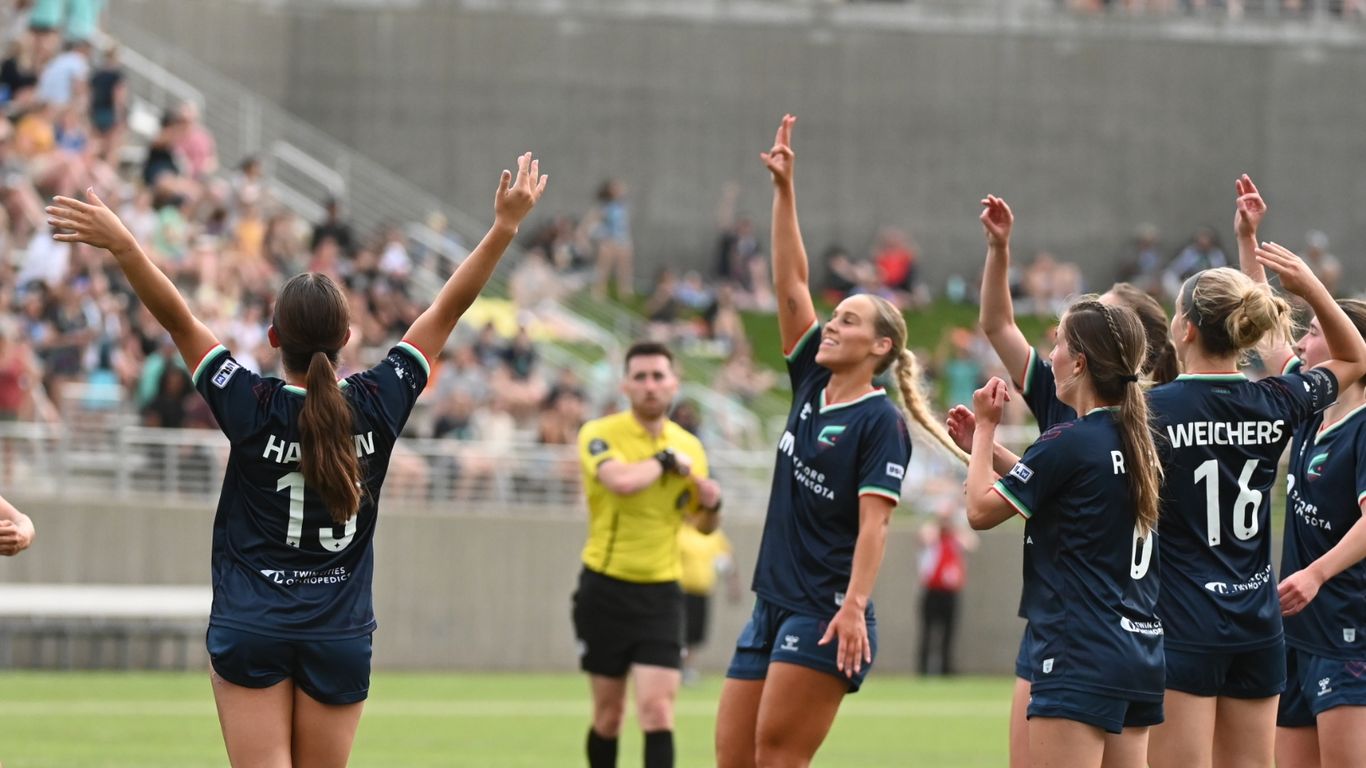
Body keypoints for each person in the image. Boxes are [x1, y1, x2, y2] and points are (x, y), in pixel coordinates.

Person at [46, 152, 546, 767]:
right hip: (338, 631)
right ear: (347, 339)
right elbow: (446, 310)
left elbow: (177, 318)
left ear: (273, 338)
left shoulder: (248, 402)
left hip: (252, 622)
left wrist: (124, 246)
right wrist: (504, 228)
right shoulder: (380, 400)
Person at [714, 114, 967, 768]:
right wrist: (784, 191)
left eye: (848, 321)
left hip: (823, 613)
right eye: (834, 315)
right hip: (771, 607)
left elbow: (875, 527)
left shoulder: (880, 422)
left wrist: (854, 607)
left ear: (880, 347)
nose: (830, 324)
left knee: (778, 759)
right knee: (734, 760)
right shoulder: (810, 381)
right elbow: (791, 283)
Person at [1144, 215, 1365, 768]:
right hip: (1260, 624)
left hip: (1187, 622)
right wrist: (1302, 281)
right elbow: (1351, 356)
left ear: (1186, 330)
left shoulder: (1149, 411)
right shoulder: (1278, 401)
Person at [973, 193, 1180, 768]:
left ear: (1089, 357)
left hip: (1076, 637)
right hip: (1135, 640)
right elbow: (1063, 485)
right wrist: (999, 249)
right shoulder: (1139, 433)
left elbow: (985, 509)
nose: (1051, 348)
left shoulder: (1076, 431)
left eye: (1062, 339)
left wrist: (985, 436)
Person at [1228, 174, 1366, 768]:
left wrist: (1316, 573)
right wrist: (1247, 240)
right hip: (1297, 630)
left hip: (1347, 632)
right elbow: (1265, 335)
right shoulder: (1310, 407)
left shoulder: (1362, 426)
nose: (1302, 344)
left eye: (1313, 332)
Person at [573, 340, 723, 768]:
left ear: (674, 383)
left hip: (662, 593)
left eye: (659, 376)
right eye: (640, 377)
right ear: (625, 386)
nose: (650, 385)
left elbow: (703, 525)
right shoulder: (599, 433)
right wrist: (664, 460)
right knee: (609, 716)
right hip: (605, 588)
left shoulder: (691, 446)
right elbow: (620, 481)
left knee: (658, 711)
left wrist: (712, 504)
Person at [678, 517, 741, 685]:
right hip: (681, 591)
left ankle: (687, 669)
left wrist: (733, 584)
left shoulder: (713, 534)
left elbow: (727, 559)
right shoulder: (680, 532)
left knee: (695, 633)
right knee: (679, 630)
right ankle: (676, 667)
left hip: (703, 591)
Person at [917, 504, 976, 676]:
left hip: (950, 592)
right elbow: (925, 537)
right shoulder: (932, 536)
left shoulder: (956, 537)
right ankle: (923, 669)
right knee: (928, 631)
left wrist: (955, 527)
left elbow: (971, 544)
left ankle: (946, 669)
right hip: (932, 590)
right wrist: (939, 523)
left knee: (949, 632)